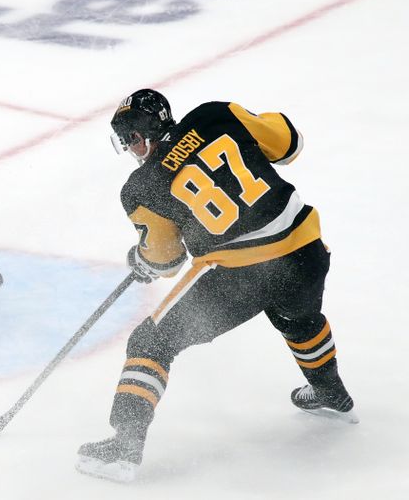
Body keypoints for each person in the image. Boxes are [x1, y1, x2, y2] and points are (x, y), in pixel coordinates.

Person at [76, 89, 357, 482]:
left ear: (144, 134)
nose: (130, 149)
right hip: (305, 252)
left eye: (131, 140)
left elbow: (166, 259)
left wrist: (141, 259)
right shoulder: (215, 114)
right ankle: (331, 392)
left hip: (241, 276)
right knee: (298, 315)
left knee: (151, 343)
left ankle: (123, 446)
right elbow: (290, 142)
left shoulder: (141, 187)